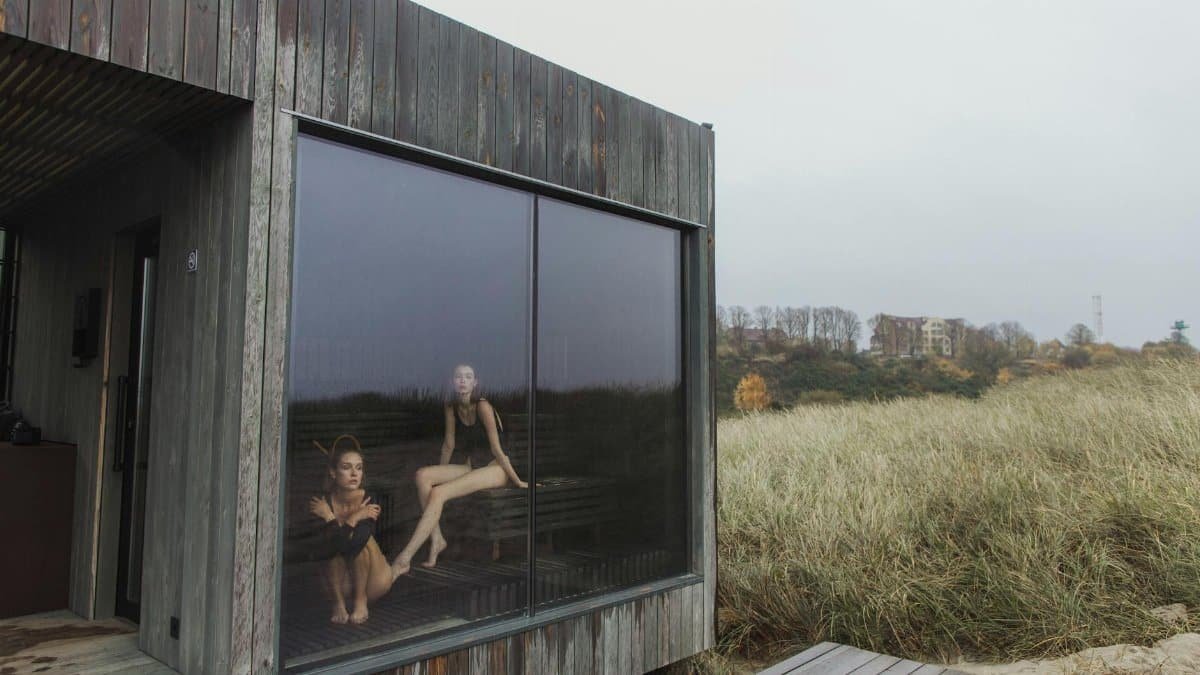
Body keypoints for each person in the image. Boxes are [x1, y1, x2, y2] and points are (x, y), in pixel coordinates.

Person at [392, 364, 527, 577]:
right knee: (423, 476)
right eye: (458, 377)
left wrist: (517, 481)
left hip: (497, 468)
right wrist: (440, 472)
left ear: (475, 383)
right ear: (453, 382)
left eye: (468, 377)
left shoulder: (483, 406)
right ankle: (437, 538)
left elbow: (497, 450)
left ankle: (404, 558)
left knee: (439, 493)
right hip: (473, 466)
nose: (463, 380)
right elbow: (448, 445)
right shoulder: (451, 406)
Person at [307, 435, 395, 624]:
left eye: (359, 468)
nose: (354, 474)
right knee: (332, 547)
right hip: (339, 584)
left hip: (373, 582)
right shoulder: (321, 503)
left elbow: (355, 545)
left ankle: (360, 602)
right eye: (346, 467)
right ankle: (338, 604)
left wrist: (339, 519)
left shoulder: (370, 500)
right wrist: (350, 517)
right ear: (333, 472)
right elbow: (327, 549)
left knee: (362, 543)